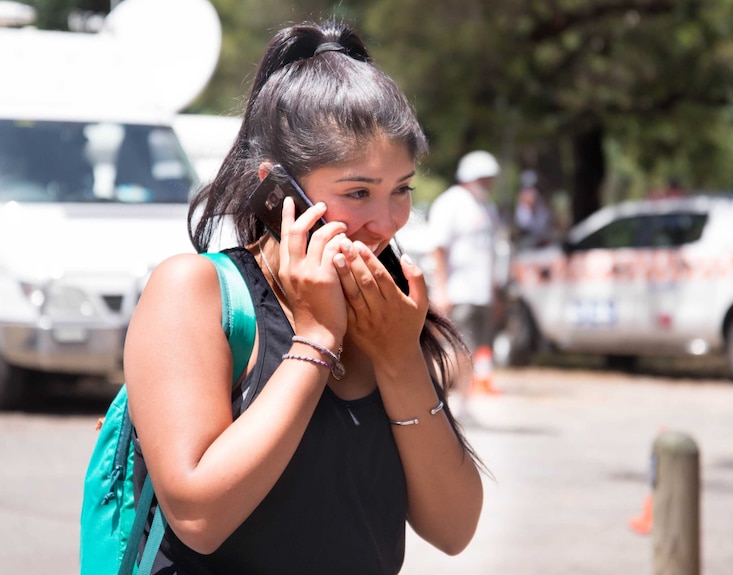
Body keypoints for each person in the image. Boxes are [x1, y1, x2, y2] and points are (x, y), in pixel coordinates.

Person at [123, 21, 484, 574]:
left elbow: (455, 529)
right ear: (277, 189)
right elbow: (198, 518)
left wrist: (397, 356)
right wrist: (316, 339)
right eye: (357, 192)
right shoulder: (194, 292)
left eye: (401, 190)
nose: (385, 223)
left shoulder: (386, 315)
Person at [427, 150, 504, 414]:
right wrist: (442, 289)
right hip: (459, 291)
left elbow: (492, 253)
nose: (488, 184)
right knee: (456, 349)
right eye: (484, 178)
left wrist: (495, 292)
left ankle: (463, 405)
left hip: (481, 292)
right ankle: (436, 401)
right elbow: (438, 248)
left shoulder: (487, 208)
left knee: (473, 351)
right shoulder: (451, 203)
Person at [513, 169, 552, 250]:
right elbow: (524, 223)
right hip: (527, 242)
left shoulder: (540, 201)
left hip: (541, 239)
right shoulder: (522, 200)